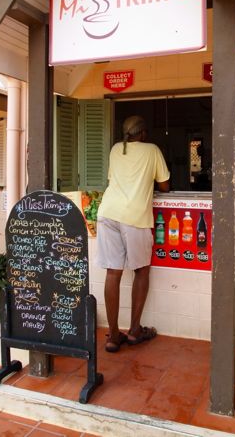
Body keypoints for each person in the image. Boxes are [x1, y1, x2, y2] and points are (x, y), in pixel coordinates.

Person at [96, 115, 170, 352]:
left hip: (108, 212)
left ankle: (113, 335)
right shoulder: (152, 150)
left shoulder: (117, 149)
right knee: (141, 270)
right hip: (134, 215)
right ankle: (135, 330)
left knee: (113, 272)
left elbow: (112, 179)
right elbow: (165, 185)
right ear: (144, 133)